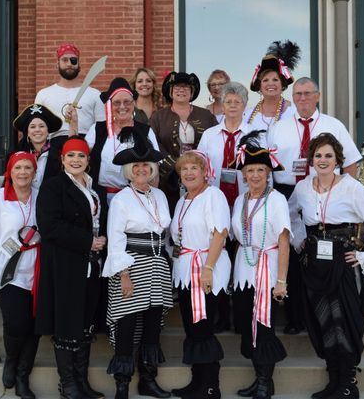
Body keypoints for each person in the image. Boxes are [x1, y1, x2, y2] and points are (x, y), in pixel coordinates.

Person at [268, 76, 362, 334]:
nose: (303, 98)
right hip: (288, 192)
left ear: (318, 96)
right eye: (298, 94)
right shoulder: (279, 127)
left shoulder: (334, 125)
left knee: (321, 260)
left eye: (308, 93)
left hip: (326, 190)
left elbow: (350, 163)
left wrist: (343, 192)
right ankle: (296, 318)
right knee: (293, 256)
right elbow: (269, 166)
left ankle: (323, 320)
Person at [289, 133, 364, 399]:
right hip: (314, 263)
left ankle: (348, 384)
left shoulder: (351, 187)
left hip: (342, 262)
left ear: (337, 160)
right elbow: (290, 216)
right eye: (318, 155)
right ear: (311, 159)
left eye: (328, 155)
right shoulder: (303, 188)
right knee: (323, 320)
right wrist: (299, 239)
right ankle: (334, 381)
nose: (322, 160)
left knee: (343, 320)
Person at [103, 126, 173, 399]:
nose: (142, 169)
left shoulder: (160, 196)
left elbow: (164, 233)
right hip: (131, 266)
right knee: (127, 323)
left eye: (146, 165)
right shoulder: (121, 199)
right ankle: (122, 384)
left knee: (152, 324)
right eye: (136, 166)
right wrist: (123, 274)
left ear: (152, 169)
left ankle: (148, 380)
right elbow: (116, 238)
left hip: (157, 265)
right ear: (129, 170)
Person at [35, 136, 106, 399]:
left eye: (81, 155)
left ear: (88, 160)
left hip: (92, 265)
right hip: (65, 264)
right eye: (71, 155)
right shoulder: (53, 187)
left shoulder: (95, 188)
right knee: (67, 323)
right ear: (62, 159)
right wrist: (88, 240)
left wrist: (101, 240)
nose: (76, 160)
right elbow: (49, 226)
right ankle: (68, 385)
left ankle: (81, 382)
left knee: (85, 323)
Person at [0, 152, 40, 399]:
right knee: (17, 323)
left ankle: (23, 376)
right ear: (10, 172)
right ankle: (12, 360)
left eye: (27, 168)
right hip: (7, 272)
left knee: (35, 325)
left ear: (34, 172)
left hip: (37, 269)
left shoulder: (41, 197)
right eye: (17, 168)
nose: (23, 172)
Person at [232, 134, 290, 399]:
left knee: (264, 324)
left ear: (268, 173)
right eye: (250, 170)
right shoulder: (240, 200)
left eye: (260, 170)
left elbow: (283, 240)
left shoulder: (276, 199)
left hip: (268, 268)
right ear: (244, 174)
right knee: (247, 324)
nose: (255, 175)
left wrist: (281, 281)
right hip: (244, 268)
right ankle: (258, 378)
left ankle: (266, 382)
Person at [170, 150, 230, 399]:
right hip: (186, 270)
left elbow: (219, 234)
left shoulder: (213, 195)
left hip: (206, 268)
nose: (189, 173)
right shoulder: (183, 200)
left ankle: (210, 386)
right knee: (192, 328)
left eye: (194, 168)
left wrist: (208, 268)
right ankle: (197, 382)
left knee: (203, 327)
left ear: (205, 172)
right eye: (184, 169)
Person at [198, 81, 255, 333]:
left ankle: (242, 315)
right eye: (228, 101)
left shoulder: (255, 134)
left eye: (237, 102)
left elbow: (264, 170)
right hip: (216, 204)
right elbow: (200, 168)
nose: (232, 106)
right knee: (219, 257)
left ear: (245, 105)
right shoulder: (210, 135)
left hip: (245, 202)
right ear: (221, 104)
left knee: (241, 257)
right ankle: (220, 315)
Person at [150, 71, 217, 213]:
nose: (181, 90)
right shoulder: (158, 117)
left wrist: (199, 164)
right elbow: (152, 142)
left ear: (192, 92)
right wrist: (173, 164)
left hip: (199, 175)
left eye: (186, 87)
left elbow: (215, 139)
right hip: (168, 178)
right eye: (177, 87)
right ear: (170, 91)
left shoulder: (206, 116)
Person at [87, 77, 159, 205]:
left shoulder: (145, 131)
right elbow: (81, 157)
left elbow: (154, 169)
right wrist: (73, 125)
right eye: (116, 103)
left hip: (132, 198)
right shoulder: (97, 129)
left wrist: (149, 201)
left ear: (134, 103)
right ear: (110, 105)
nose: (122, 107)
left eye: (127, 102)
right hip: (99, 197)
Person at [35, 43, 105, 145]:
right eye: (64, 60)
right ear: (57, 64)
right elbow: (36, 126)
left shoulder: (95, 94)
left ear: (79, 64)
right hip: (53, 146)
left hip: (85, 145)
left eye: (73, 60)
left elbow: (101, 128)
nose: (69, 64)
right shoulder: (43, 95)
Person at [244, 40, 300, 131]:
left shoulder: (295, 112)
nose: (270, 84)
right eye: (265, 80)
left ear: (282, 84)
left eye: (275, 80)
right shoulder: (247, 115)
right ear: (260, 86)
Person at [14, 103, 63, 189]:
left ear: (48, 131)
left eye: (41, 126)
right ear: (27, 132)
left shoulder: (59, 156)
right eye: (33, 127)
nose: (37, 130)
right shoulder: (16, 154)